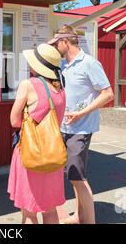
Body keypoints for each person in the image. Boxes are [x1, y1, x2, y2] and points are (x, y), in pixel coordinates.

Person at [48, 26, 114, 224]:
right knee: (73, 176)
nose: (54, 46)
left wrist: (81, 113)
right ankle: (79, 216)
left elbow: (108, 94)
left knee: (77, 176)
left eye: (56, 43)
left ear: (65, 42)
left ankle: (89, 221)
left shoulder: (89, 63)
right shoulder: (62, 65)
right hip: (63, 128)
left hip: (81, 128)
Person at [8, 43, 66, 224]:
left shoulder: (28, 85)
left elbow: (14, 121)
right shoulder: (60, 89)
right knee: (50, 210)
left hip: (31, 153)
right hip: (53, 153)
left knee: (29, 212)